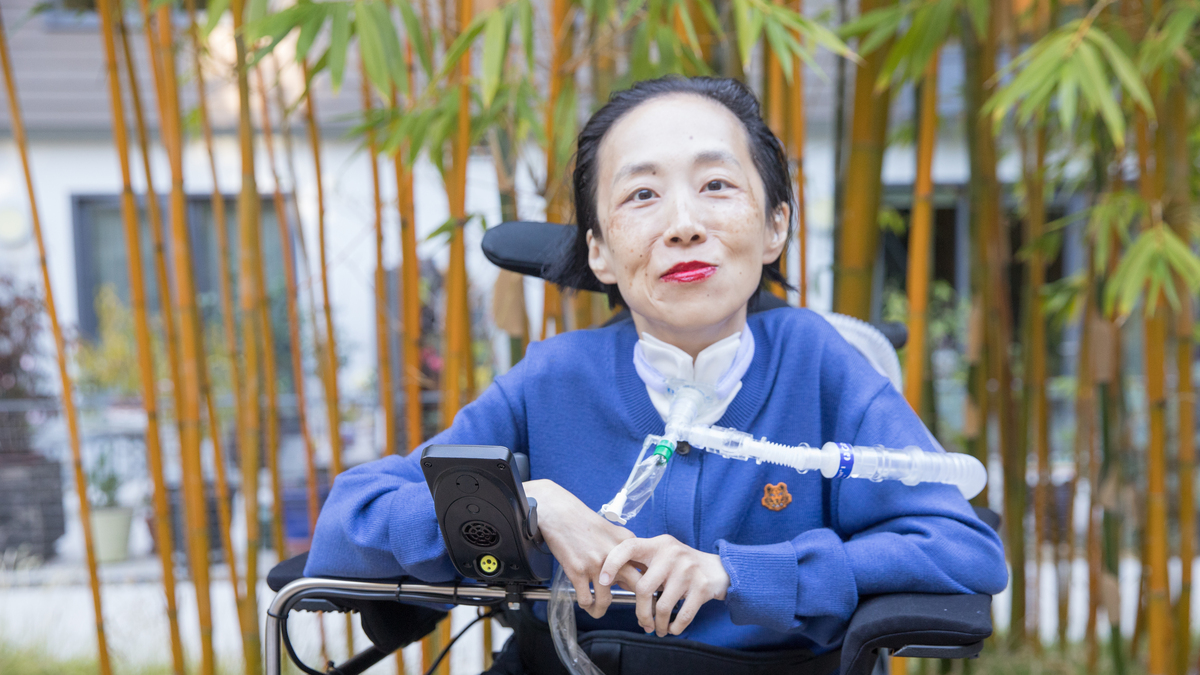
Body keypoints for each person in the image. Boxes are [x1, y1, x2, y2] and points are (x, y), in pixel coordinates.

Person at [304, 75, 1007, 670]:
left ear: (775, 227)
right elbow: (350, 521)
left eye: (716, 185)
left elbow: (962, 548)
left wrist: (740, 573)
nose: (683, 224)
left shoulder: (819, 363)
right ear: (601, 253)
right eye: (642, 195)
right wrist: (530, 506)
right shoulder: (553, 377)